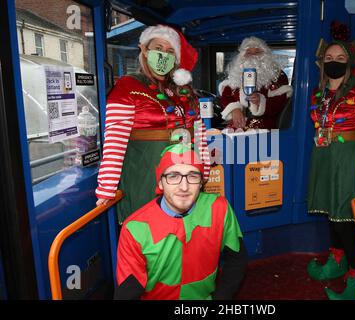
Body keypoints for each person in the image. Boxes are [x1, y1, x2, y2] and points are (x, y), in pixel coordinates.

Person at [95, 24, 209, 224]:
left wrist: (204, 171)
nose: (163, 55)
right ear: (145, 51)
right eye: (158, 48)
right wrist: (107, 187)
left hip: (186, 179)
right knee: (152, 239)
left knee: (186, 236)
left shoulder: (184, 90)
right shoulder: (128, 87)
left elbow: (200, 135)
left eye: (170, 50)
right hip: (146, 179)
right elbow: (115, 139)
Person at [114, 143, 247, 300]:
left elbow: (237, 260)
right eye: (173, 176)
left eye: (192, 176)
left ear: (201, 183)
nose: (184, 187)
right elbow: (128, 292)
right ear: (160, 183)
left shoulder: (219, 208)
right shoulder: (135, 228)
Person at [306, 34, 355, 300]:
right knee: (331, 213)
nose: (334, 62)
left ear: (350, 63)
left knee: (345, 218)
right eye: (329, 58)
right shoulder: (318, 94)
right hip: (324, 156)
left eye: (340, 58)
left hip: (348, 159)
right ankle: (337, 260)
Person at [218, 36, 293, 129]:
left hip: (264, 128)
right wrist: (234, 109)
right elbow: (226, 96)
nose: (253, 56)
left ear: (265, 55)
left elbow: (279, 103)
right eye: (248, 53)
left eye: (257, 52)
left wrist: (260, 101)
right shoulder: (236, 73)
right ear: (242, 56)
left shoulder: (277, 75)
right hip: (237, 127)